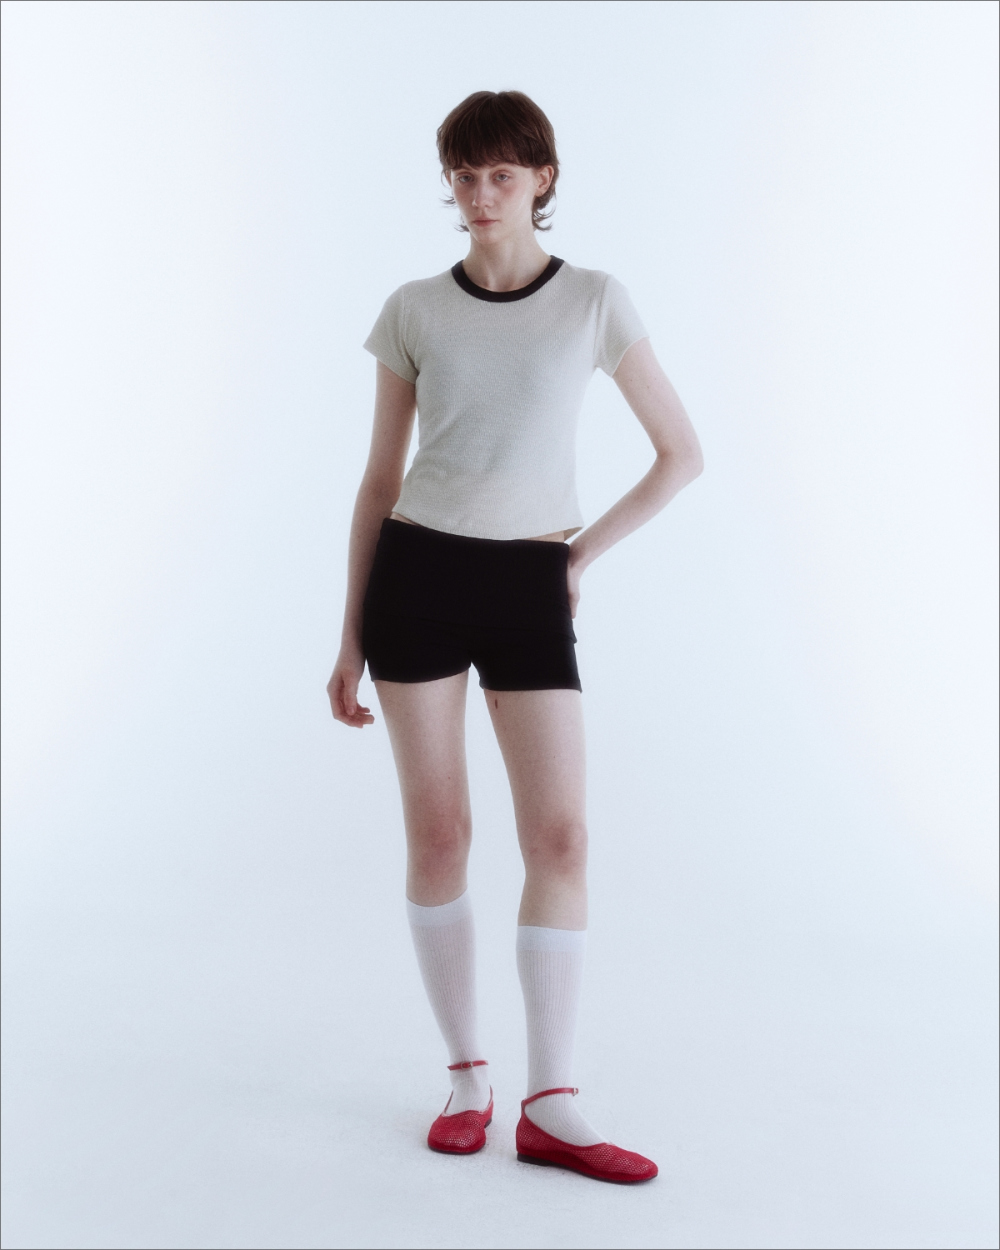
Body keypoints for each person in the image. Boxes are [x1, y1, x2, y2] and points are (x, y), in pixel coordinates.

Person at [327, 90, 702, 1184]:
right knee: (441, 835)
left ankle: (551, 1101)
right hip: (417, 577)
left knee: (562, 837)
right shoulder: (412, 308)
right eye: (464, 174)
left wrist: (578, 558)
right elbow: (378, 480)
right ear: (447, 183)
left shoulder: (593, 300)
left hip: (530, 579)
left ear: (542, 178)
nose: (481, 193)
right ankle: (466, 1078)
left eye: (502, 173)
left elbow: (681, 453)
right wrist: (347, 637)